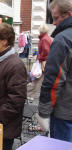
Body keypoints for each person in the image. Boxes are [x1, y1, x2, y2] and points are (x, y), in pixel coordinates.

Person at [38, 0, 72, 142]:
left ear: (68, 15)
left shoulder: (62, 39)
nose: (54, 22)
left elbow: (53, 81)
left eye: (56, 18)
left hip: (65, 114)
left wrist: (43, 113)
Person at [27, 24, 52, 102]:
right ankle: (30, 94)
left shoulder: (44, 39)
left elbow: (46, 51)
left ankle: (30, 95)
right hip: (44, 61)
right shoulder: (45, 38)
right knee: (38, 78)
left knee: (38, 78)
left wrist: (40, 58)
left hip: (43, 62)